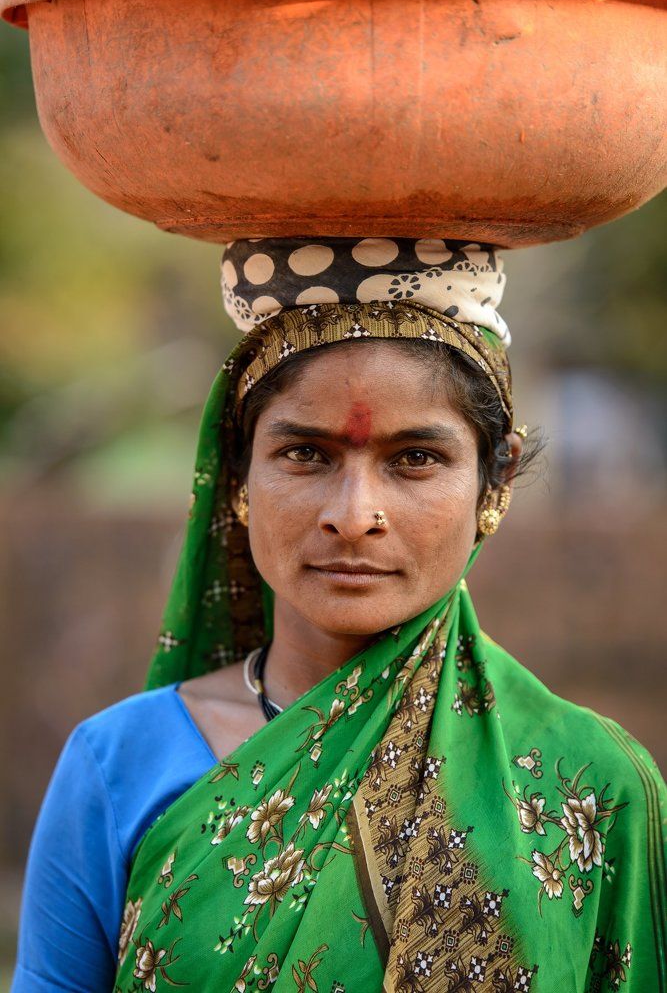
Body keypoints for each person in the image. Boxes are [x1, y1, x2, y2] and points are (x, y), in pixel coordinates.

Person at [12, 238, 665, 993]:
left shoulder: (587, 780)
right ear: (238, 476)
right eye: (305, 455)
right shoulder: (118, 763)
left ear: (496, 482)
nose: (354, 516)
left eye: (415, 458)